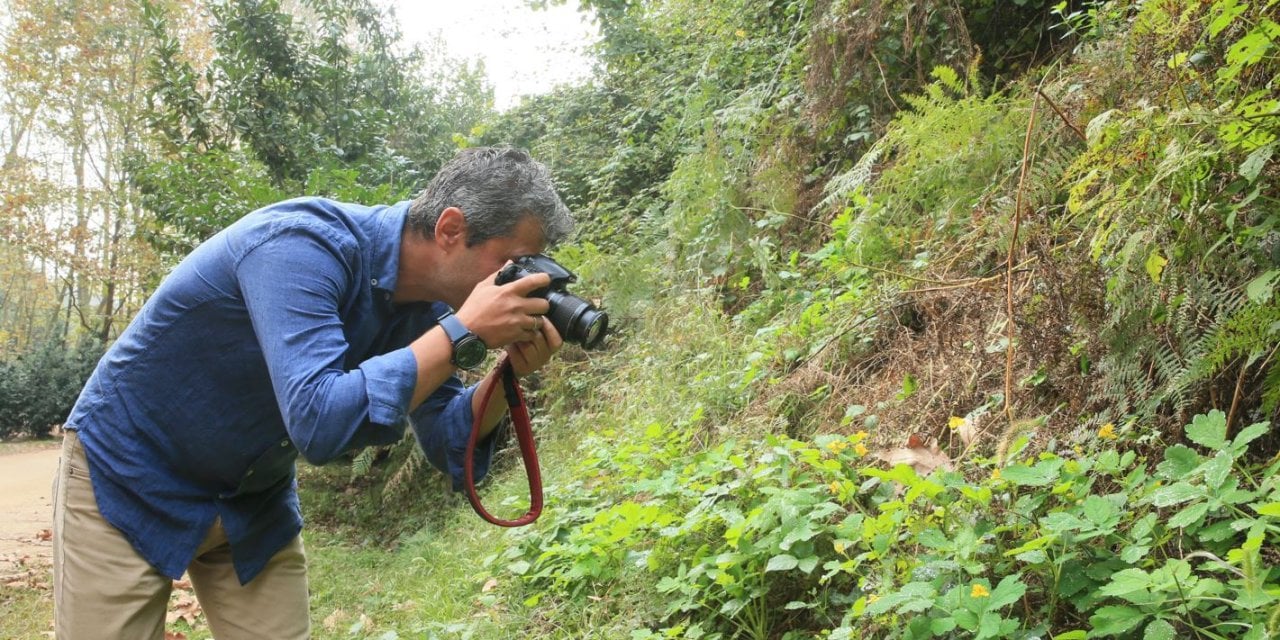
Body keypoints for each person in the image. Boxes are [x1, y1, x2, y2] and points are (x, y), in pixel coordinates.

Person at [52, 146, 574, 639]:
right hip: (128, 473)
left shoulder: (436, 309)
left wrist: (504, 377)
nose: (522, 283)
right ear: (450, 229)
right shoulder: (299, 246)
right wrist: (461, 334)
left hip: (251, 496)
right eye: (514, 263)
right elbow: (320, 422)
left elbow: (447, 439)